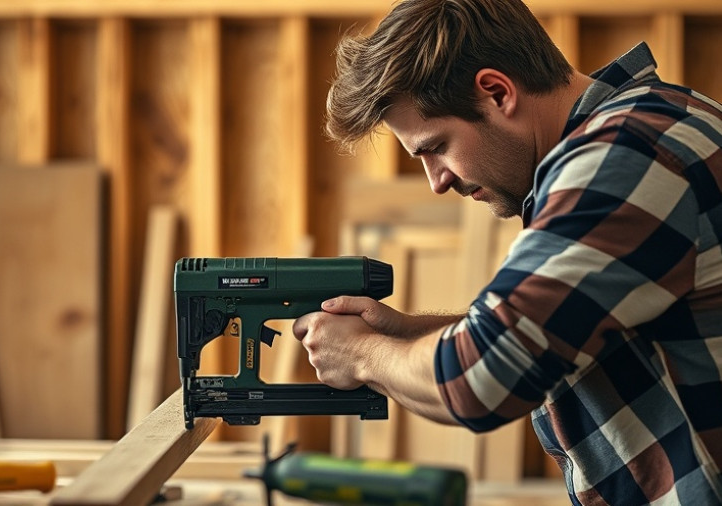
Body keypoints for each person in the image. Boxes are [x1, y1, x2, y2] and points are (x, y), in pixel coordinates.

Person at [291, 0, 722, 504]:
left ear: (496, 92)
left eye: (435, 147)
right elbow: (570, 326)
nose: (437, 180)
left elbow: (479, 380)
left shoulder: (624, 158)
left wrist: (362, 354)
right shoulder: (659, 117)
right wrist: (408, 332)